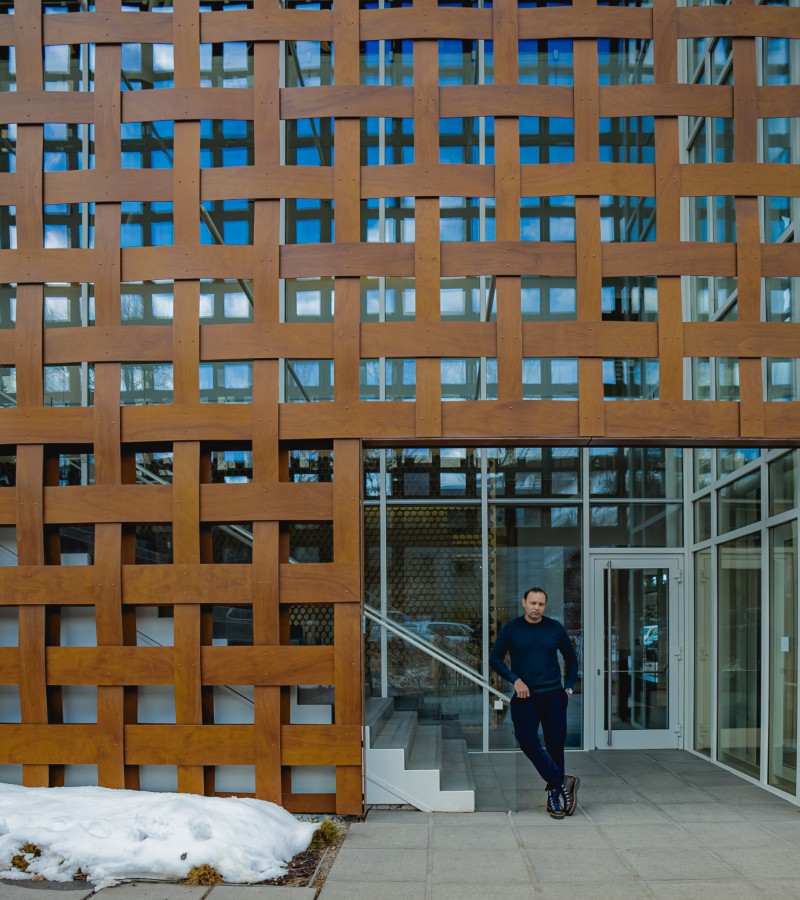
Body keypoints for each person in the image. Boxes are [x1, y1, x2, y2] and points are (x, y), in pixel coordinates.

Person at [490, 586, 579, 819]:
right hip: (524, 696)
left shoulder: (554, 628)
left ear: (544, 606)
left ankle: (554, 797)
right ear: (524, 602)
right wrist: (515, 680)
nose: (536, 608)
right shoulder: (511, 629)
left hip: (554, 696)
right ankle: (561, 781)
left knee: (555, 746)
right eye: (533, 603)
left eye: (540, 604)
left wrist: (568, 687)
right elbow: (495, 659)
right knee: (527, 741)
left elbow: (571, 659)